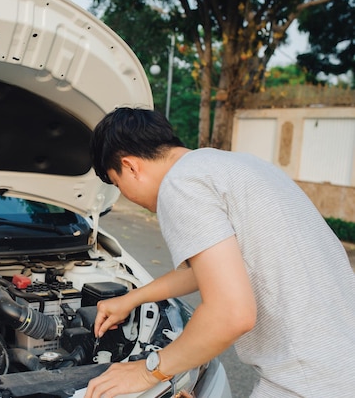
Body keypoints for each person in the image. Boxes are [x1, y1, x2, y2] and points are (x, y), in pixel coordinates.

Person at [84, 107, 355, 398]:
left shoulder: (180, 185)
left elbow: (231, 314)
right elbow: (211, 271)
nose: (125, 194)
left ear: (131, 166)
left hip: (309, 382)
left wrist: (148, 370)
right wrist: (132, 298)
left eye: (117, 183)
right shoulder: (233, 166)